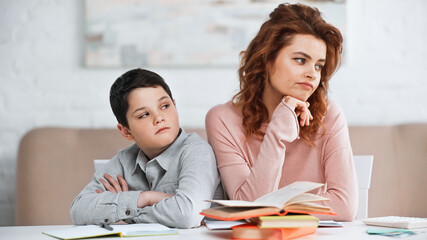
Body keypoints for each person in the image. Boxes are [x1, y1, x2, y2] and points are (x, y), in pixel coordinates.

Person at [205, 3, 357, 221]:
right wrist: (278, 128)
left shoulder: (330, 114)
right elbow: (250, 209)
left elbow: (344, 206)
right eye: (300, 60)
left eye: (318, 66)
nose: (312, 75)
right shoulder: (222, 119)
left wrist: (272, 206)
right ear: (267, 58)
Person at [71, 68, 221, 228]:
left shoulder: (196, 151)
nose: (159, 118)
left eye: (164, 106)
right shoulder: (124, 160)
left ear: (175, 107)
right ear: (126, 131)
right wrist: (146, 197)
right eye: (144, 115)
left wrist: (127, 212)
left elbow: (188, 214)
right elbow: (79, 210)